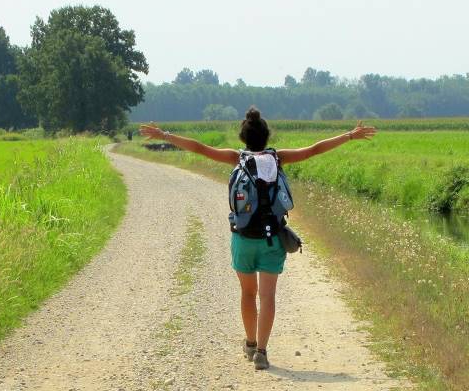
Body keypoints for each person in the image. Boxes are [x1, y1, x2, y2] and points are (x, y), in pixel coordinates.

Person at [139, 108, 376, 370]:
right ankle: (262, 352)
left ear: (243, 138)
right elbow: (314, 150)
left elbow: (198, 148)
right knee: (268, 296)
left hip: (243, 238)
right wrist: (349, 136)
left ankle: (250, 343)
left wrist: (165, 135)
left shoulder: (236, 158)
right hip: (273, 239)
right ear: (266, 136)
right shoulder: (279, 158)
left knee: (248, 293)